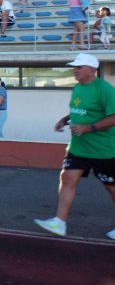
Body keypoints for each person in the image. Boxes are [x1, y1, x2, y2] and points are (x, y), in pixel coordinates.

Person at [33, 53, 115, 240]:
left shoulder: (105, 90)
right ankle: (59, 222)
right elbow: (77, 111)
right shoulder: (78, 88)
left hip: (103, 150)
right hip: (78, 147)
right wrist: (64, 120)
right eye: (74, 66)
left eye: (79, 67)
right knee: (68, 177)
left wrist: (89, 127)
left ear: (92, 70)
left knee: (112, 188)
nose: (75, 70)